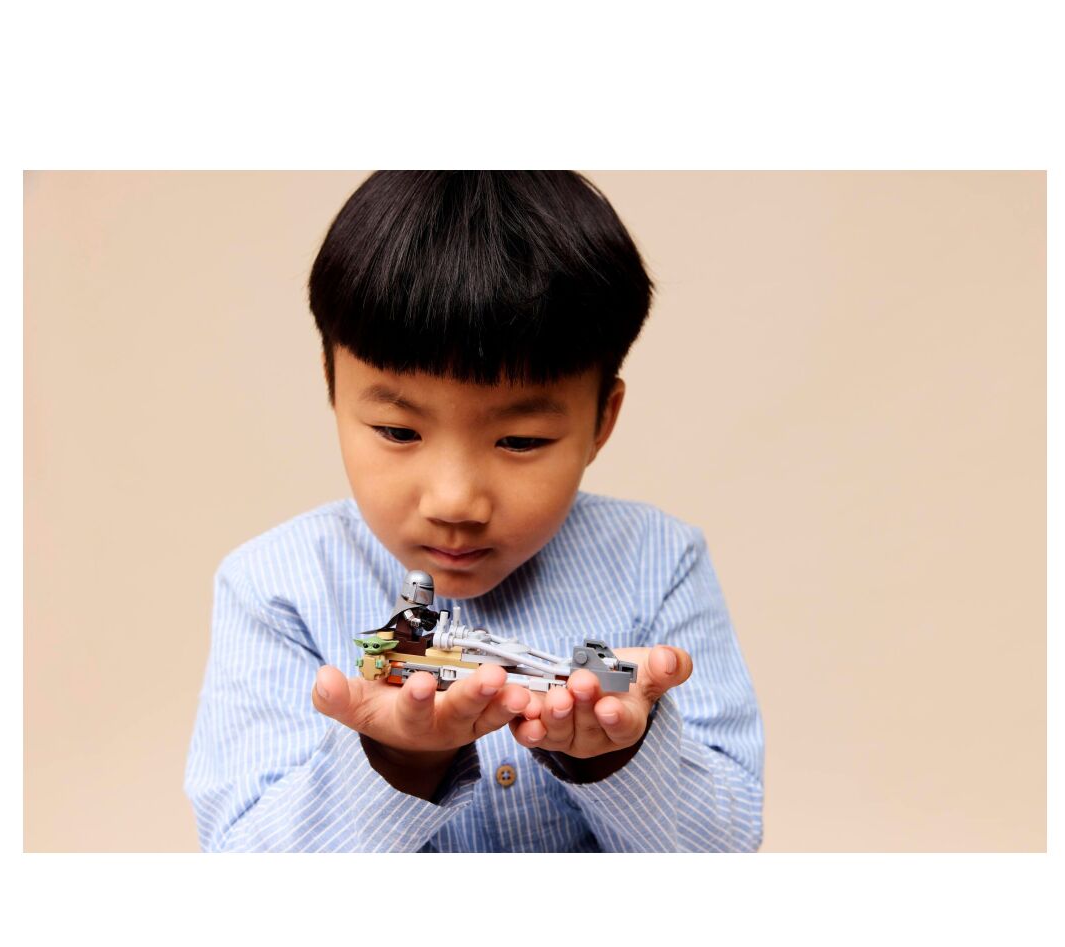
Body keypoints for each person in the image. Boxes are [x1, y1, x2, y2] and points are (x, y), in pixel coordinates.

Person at [184, 171, 765, 851]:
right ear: (333, 388)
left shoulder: (659, 561)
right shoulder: (274, 587)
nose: (454, 501)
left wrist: (615, 754)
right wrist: (399, 760)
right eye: (398, 431)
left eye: (520, 440)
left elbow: (727, 844)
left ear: (601, 422)